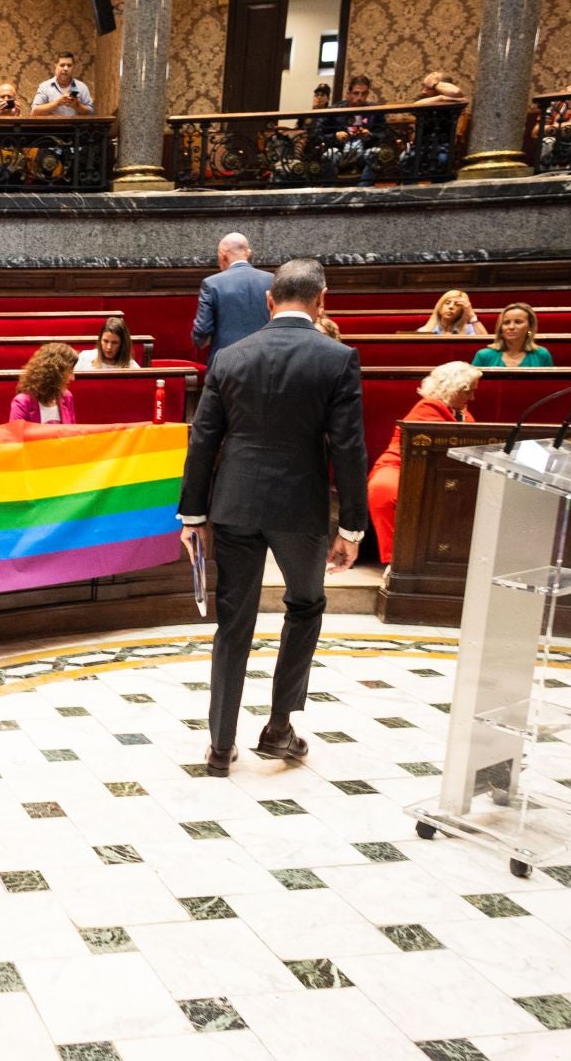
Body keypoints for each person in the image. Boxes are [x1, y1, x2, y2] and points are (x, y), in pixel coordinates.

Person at [178, 259, 369, 778]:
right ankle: (279, 728)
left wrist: (193, 514)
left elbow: (203, 440)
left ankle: (219, 745)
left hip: (234, 503)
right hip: (299, 507)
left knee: (232, 622)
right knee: (304, 607)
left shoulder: (230, 356)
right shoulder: (337, 358)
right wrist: (352, 526)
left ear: (269, 300)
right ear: (322, 299)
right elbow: (349, 448)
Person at [367, 361, 479, 561]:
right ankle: (396, 561)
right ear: (452, 389)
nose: (472, 397)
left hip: (441, 470)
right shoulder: (428, 408)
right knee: (383, 490)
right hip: (400, 465)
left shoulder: (459, 411)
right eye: (468, 391)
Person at [191, 232, 274, 368]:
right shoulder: (272, 280)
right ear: (248, 253)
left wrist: (198, 341)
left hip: (225, 365)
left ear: (223, 254)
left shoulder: (212, 283)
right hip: (265, 363)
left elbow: (202, 330)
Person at [10, 343, 79, 423]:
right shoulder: (23, 402)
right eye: (69, 372)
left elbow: (73, 433)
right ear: (55, 374)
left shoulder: (67, 397)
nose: (73, 378)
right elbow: (16, 434)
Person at [472, 302, 552, 367]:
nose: (511, 327)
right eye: (506, 323)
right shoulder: (483, 356)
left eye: (518, 322)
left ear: (530, 327)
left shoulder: (542, 355)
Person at [30, 52, 94, 116]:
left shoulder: (81, 87)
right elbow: (34, 111)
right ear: (56, 65)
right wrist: (58, 103)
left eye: (69, 65)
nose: (65, 68)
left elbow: (91, 113)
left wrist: (78, 106)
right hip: (52, 125)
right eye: (62, 65)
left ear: (73, 67)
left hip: (75, 125)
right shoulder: (45, 87)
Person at [419, 289, 486, 336]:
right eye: (447, 303)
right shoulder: (424, 331)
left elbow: (485, 344)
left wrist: (471, 314)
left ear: (461, 312)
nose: (451, 307)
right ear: (439, 307)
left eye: (457, 305)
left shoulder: (469, 330)